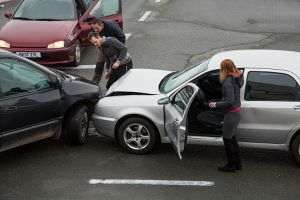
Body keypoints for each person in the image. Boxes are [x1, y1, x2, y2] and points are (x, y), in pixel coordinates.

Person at [208, 59, 244, 172]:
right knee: (232, 139)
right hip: (236, 113)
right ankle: (237, 164)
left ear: (224, 69)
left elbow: (230, 101)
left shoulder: (228, 82)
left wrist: (214, 104)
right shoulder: (237, 78)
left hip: (231, 114)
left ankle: (231, 165)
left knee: (227, 140)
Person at [88, 18, 126, 84]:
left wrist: (116, 49)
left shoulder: (111, 27)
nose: (95, 30)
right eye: (94, 28)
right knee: (100, 62)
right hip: (102, 44)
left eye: (97, 28)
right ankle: (95, 81)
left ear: (102, 25)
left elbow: (122, 37)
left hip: (115, 44)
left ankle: (116, 79)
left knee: (114, 62)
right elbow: (93, 35)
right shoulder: (95, 28)